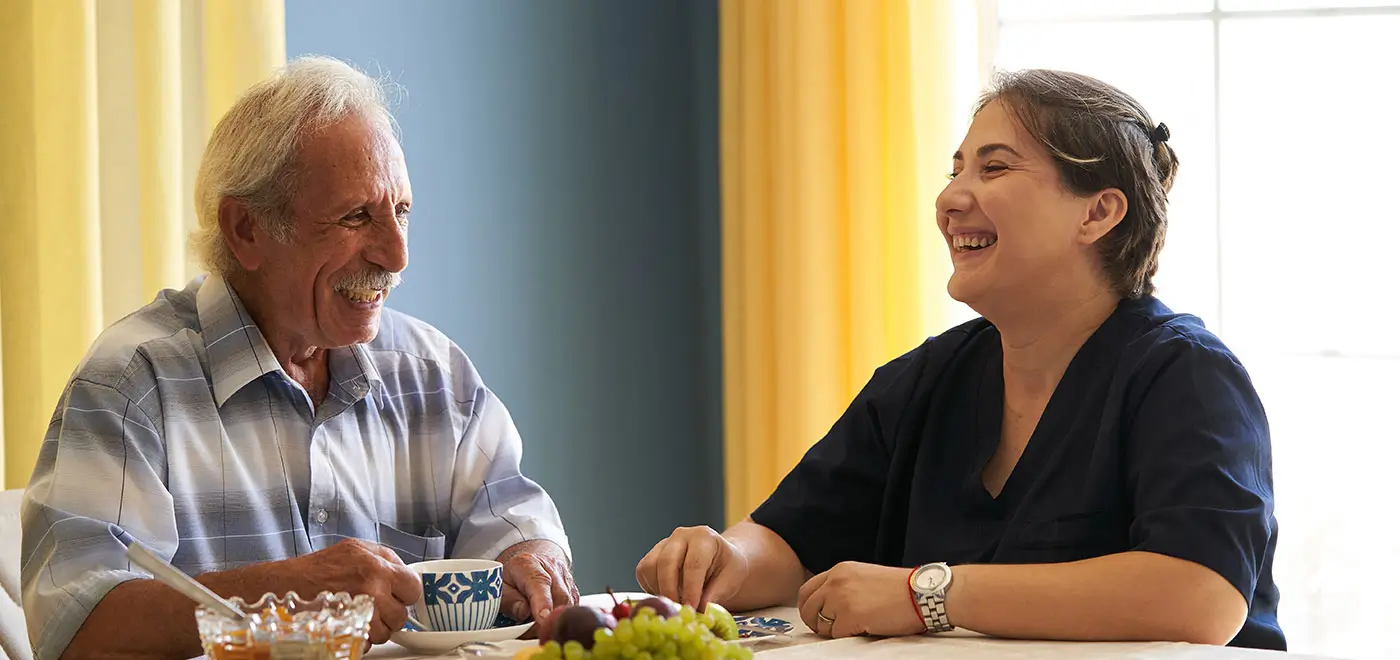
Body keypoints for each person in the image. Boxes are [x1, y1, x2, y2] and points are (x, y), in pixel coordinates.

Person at [637, 69, 1284, 651]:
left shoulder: (1187, 377)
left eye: (994, 168)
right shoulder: (927, 380)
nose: (950, 200)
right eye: (957, 170)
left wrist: (926, 596)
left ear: (1099, 212)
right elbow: (791, 540)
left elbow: (1200, 595)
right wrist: (725, 559)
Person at [20, 56, 577, 660]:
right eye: (356, 216)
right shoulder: (133, 383)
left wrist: (532, 559)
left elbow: (516, 522)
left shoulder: (431, 375)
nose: (396, 255)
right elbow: (75, 628)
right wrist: (282, 594)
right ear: (247, 230)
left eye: (403, 212)